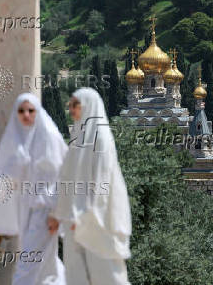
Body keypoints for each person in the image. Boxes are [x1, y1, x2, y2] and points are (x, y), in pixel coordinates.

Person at [0, 93, 68, 285]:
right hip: (24, 210)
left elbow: (62, 176)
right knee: (44, 262)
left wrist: (57, 212)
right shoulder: (17, 140)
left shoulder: (49, 139)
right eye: (21, 111)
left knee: (28, 263)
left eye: (31, 110)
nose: (26, 115)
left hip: (44, 210)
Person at [49, 87, 132, 285]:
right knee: (76, 275)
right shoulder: (78, 137)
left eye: (75, 105)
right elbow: (67, 179)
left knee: (107, 274)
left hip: (99, 219)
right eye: (70, 105)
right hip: (75, 220)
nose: (71, 110)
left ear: (88, 106)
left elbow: (102, 181)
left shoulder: (101, 138)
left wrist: (87, 213)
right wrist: (59, 214)